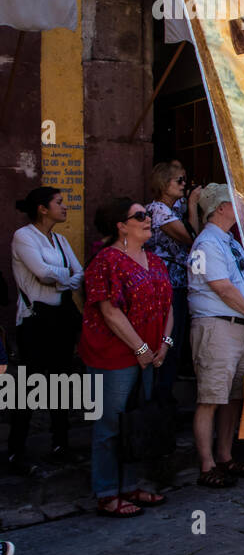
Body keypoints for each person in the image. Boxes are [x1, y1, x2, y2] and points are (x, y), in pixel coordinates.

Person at [79, 197, 173, 517]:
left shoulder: (156, 261)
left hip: (148, 356)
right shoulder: (106, 260)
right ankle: (107, 493)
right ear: (121, 226)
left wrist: (165, 344)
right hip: (113, 356)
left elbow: (169, 306)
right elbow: (109, 310)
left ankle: (130, 486)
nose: (148, 218)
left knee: (135, 423)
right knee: (109, 425)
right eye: (140, 215)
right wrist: (141, 348)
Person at [188, 184, 244, 488]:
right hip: (217, 326)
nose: (242, 209)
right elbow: (221, 286)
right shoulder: (206, 243)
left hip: (240, 323)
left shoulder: (230, 242)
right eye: (236, 203)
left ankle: (224, 455)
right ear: (220, 207)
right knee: (210, 397)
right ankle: (207, 464)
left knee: (233, 396)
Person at [9, 187, 84, 475]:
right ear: (42, 208)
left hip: (60, 319)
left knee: (62, 383)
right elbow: (42, 273)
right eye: (59, 203)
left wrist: (59, 278)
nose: (64, 208)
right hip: (34, 321)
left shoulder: (61, 240)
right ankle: (17, 451)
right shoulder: (24, 236)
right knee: (29, 387)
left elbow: (79, 276)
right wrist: (62, 277)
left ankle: (60, 445)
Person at [143, 161, 201, 404]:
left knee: (175, 341)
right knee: (168, 339)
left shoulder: (171, 208)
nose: (184, 184)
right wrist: (192, 205)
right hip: (164, 285)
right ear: (163, 184)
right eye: (179, 180)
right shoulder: (158, 210)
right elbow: (192, 238)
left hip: (177, 282)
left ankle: (165, 396)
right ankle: (159, 398)